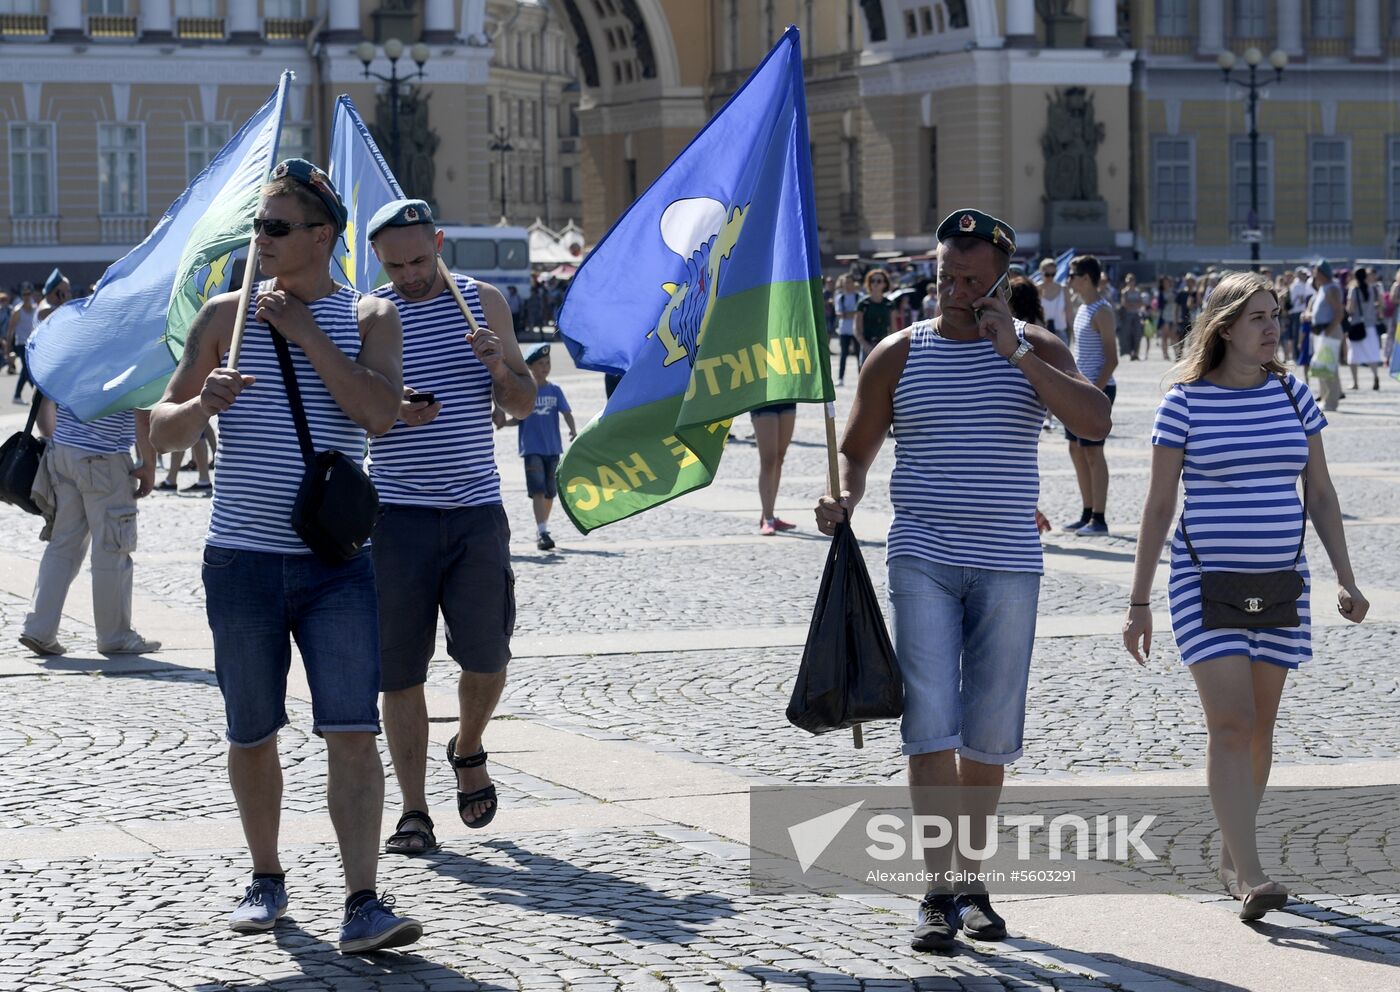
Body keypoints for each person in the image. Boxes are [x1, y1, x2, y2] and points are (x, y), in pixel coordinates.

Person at [816, 209, 1110, 952]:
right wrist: (843, 496)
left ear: (1002, 281)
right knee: (930, 723)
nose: (955, 290)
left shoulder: (1034, 346)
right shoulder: (897, 353)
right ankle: (937, 888)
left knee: (988, 733)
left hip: (1010, 561)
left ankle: (973, 882)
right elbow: (856, 449)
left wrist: (1019, 357)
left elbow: (1096, 422)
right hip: (923, 556)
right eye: (948, 275)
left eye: (972, 279)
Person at [148, 159, 421, 954]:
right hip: (240, 559)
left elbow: (379, 415)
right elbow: (158, 432)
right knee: (251, 730)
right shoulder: (223, 315)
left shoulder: (371, 315)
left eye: (274, 228)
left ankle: (363, 901)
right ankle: (266, 876)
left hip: (335, 564)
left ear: (322, 236)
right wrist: (202, 404)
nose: (258, 240)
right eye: (257, 228)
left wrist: (305, 334)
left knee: (351, 729)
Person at [1123, 271, 1367, 921]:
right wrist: (1139, 601)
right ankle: (1252, 874)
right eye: (1258, 316)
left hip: (1281, 584)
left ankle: (1235, 853)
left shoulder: (1292, 394)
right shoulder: (1184, 403)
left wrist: (1345, 576)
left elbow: (1319, 493)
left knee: (1260, 729)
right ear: (1224, 326)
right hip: (1204, 583)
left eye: (1275, 315)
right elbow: (1157, 507)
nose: (1271, 327)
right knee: (1230, 724)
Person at [364, 198, 536, 857]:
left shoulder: (482, 301)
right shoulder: (371, 313)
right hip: (397, 515)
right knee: (399, 671)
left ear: (438, 242)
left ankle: (467, 744)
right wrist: (394, 411)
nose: (409, 275)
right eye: (395, 265)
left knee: (487, 655)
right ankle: (413, 811)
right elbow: (353, 413)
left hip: (475, 513)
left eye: (418, 259)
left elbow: (522, 403)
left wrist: (498, 366)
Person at [20, 285, 161, 659]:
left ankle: (39, 628)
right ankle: (115, 635)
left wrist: (54, 439)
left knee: (63, 544)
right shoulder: (128, 350)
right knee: (113, 547)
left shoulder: (75, 342)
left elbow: (48, 394)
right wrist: (147, 464)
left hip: (64, 453)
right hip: (103, 459)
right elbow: (141, 412)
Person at [496, 343, 576, 549]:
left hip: (553, 448)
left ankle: (543, 526)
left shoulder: (555, 390)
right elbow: (519, 417)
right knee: (538, 491)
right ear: (530, 367)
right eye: (540, 364)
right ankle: (542, 531)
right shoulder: (526, 392)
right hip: (532, 449)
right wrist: (505, 422)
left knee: (550, 492)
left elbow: (566, 412)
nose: (545, 367)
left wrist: (573, 430)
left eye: (547, 363)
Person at [1063, 254, 1118, 535]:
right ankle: (1086, 512)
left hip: (1097, 387)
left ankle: (1099, 517)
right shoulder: (1081, 306)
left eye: (1072, 275)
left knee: (1094, 452)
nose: (1068, 280)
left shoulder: (1102, 311)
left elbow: (1112, 359)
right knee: (1076, 449)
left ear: (1086, 278)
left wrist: (1093, 392)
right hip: (1079, 388)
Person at [1305, 260, 1344, 411]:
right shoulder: (1323, 288)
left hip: (1329, 331)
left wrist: (1327, 331)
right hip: (1323, 331)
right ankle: (1326, 398)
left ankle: (1331, 402)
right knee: (1322, 367)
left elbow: (1339, 312)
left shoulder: (1331, 289)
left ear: (1320, 272)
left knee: (1329, 368)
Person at [1345, 266, 1383, 392]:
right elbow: (1380, 304)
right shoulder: (1373, 288)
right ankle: (1375, 377)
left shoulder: (1354, 290)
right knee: (1372, 354)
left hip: (1357, 325)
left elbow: (1350, 308)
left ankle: (1355, 382)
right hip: (1370, 325)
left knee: (1353, 356)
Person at [855, 268, 898, 356]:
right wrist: (865, 346)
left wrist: (894, 346)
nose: (875, 283)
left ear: (885, 284)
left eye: (879, 281)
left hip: (884, 345)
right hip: (867, 346)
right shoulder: (863, 304)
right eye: (872, 281)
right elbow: (857, 329)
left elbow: (894, 329)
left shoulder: (889, 304)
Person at [10, 282, 38, 403]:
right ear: (21, 295)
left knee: (27, 370)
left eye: (29, 293)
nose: (27, 296)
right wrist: (7, 347)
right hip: (21, 344)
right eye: (24, 294)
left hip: (32, 344)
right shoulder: (17, 310)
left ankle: (20, 396)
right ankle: (33, 396)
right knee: (26, 370)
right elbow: (10, 329)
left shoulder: (35, 308)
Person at [834, 275, 861, 385]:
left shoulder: (859, 296)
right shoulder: (840, 297)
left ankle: (861, 378)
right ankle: (840, 378)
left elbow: (859, 313)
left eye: (849, 282)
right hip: (844, 330)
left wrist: (848, 314)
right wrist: (852, 314)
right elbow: (839, 314)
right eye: (845, 282)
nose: (847, 285)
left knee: (859, 355)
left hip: (857, 330)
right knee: (843, 354)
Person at [1037, 258, 1070, 345]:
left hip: (1061, 333)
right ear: (1041, 272)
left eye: (1053, 274)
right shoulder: (1035, 289)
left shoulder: (1064, 289)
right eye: (1047, 274)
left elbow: (1069, 314)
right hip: (1041, 333)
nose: (1050, 277)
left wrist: (1073, 333)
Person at [1117, 272, 1145, 360]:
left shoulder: (1137, 291)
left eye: (1132, 280)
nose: (1130, 282)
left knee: (1137, 334)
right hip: (1127, 316)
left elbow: (1141, 303)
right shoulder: (1124, 291)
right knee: (1127, 335)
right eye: (1129, 280)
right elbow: (1124, 304)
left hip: (1136, 315)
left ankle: (1136, 353)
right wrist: (1134, 304)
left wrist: (1132, 304)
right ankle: (1130, 352)